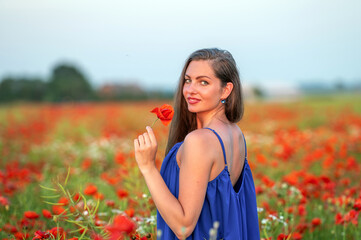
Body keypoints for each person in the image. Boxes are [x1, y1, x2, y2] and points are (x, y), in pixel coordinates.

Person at [134, 48, 260, 239]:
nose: (190, 90)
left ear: (226, 90)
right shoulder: (235, 132)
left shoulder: (199, 141)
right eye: (188, 80)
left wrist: (147, 167)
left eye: (203, 82)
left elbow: (183, 227)